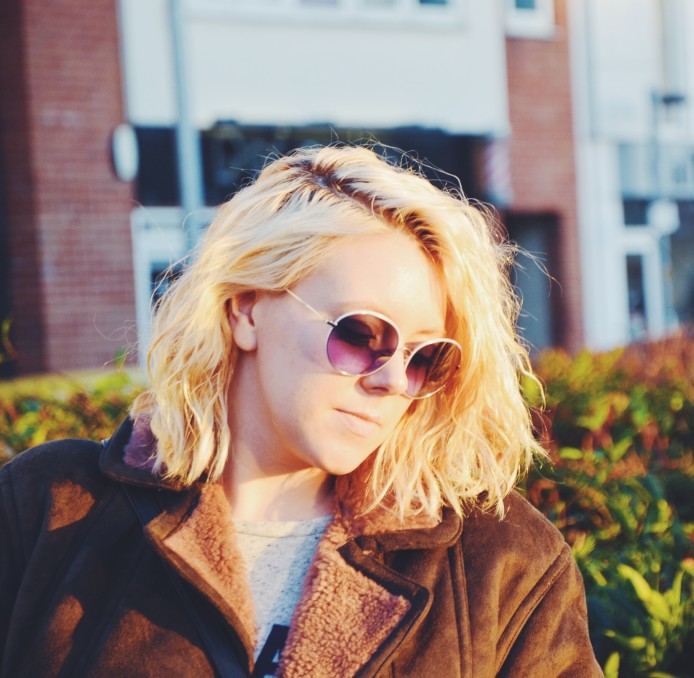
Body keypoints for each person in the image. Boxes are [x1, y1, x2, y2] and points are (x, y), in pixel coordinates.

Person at [0, 146, 601, 677]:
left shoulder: (503, 563)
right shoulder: (47, 507)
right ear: (245, 309)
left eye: (425, 357)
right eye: (362, 334)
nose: (393, 381)